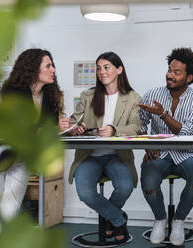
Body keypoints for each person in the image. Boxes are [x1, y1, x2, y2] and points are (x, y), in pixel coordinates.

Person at [60, 52, 141, 243]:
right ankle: (118, 220)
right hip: (90, 156)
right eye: (98, 68)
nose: (101, 72)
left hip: (117, 156)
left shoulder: (132, 97)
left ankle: (109, 221)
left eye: (106, 67)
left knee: (125, 186)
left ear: (119, 70)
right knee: (85, 192)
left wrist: (114, 130)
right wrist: (74, 128)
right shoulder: (88, 96)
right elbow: (74, 121)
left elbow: (136, 127)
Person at [139, 47, 193, 246]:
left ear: (189, 77)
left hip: (185, 153)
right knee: (148, 181)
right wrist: (146, 145)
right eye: (169, 70)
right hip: (158, 152)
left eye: (177, 72)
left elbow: (186, 134)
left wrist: (163, 115)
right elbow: (140, 123)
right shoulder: (152, 94)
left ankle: (178, 221)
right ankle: (160, 219)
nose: (170, 75)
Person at [0, 48, 64, 220]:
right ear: (33, 68)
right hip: (3, 153)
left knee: (9, 212)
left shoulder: (50, 97)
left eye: (53, 66)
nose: (53, 70)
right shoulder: (12, 91)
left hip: (23, 158)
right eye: (48, 66)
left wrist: (61, 126)